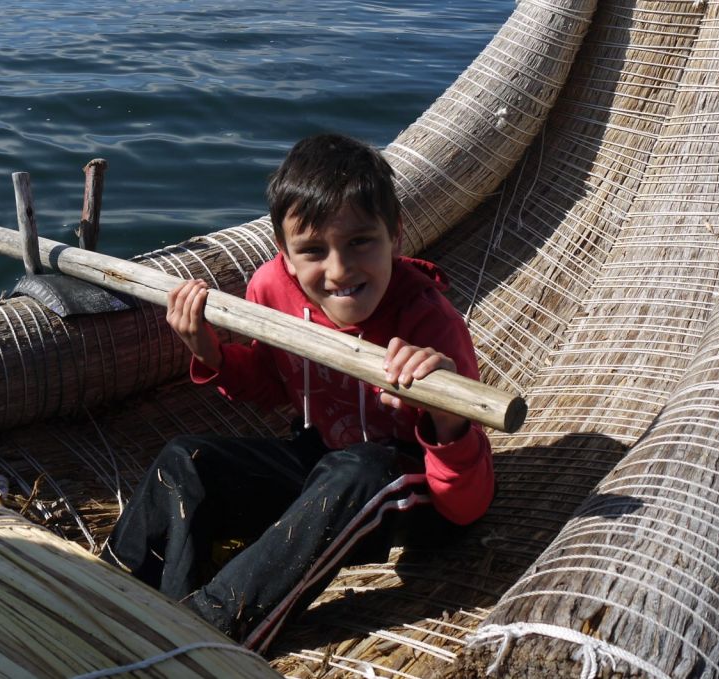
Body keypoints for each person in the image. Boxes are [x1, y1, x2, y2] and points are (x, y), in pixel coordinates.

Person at [101, 133, 494, 649]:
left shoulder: (429, 324)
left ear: (395, 236)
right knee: (186, 458)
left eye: (361, 242)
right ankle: (113, 594)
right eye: (312, 250)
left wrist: (443, 412)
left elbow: (466, 505)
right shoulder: (270, 288)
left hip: (410, 488)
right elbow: (272, 382)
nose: (339, 270)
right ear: (284, 255)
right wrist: (211, 354)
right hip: (321, 464)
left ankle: (209, 634)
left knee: (360, 469)